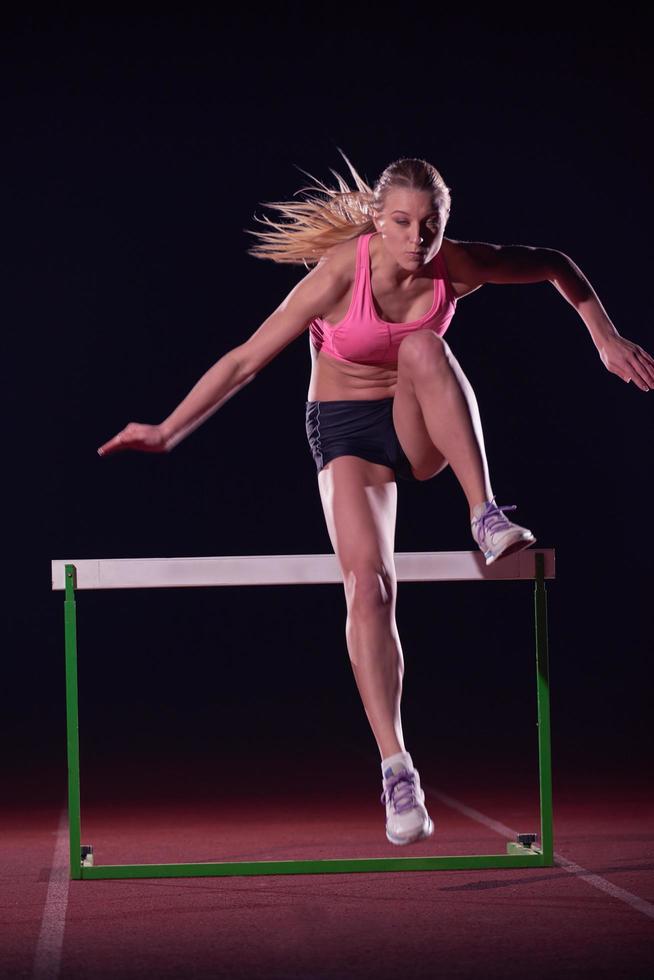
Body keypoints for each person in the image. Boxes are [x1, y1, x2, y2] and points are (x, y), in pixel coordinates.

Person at [97, 151, 654, 846]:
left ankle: (484, 513)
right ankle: (398, 770)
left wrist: (604, 334)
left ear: (444, 223)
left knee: (425, 349)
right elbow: (245, 358)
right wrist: (167, 430)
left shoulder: (458, 263)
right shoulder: (340, 271)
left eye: (431, 224)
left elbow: (554, 264)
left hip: (418, 426)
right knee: (368, 586)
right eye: (402, 223)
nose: (418, 240)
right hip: (345, 434)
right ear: (377, 221)